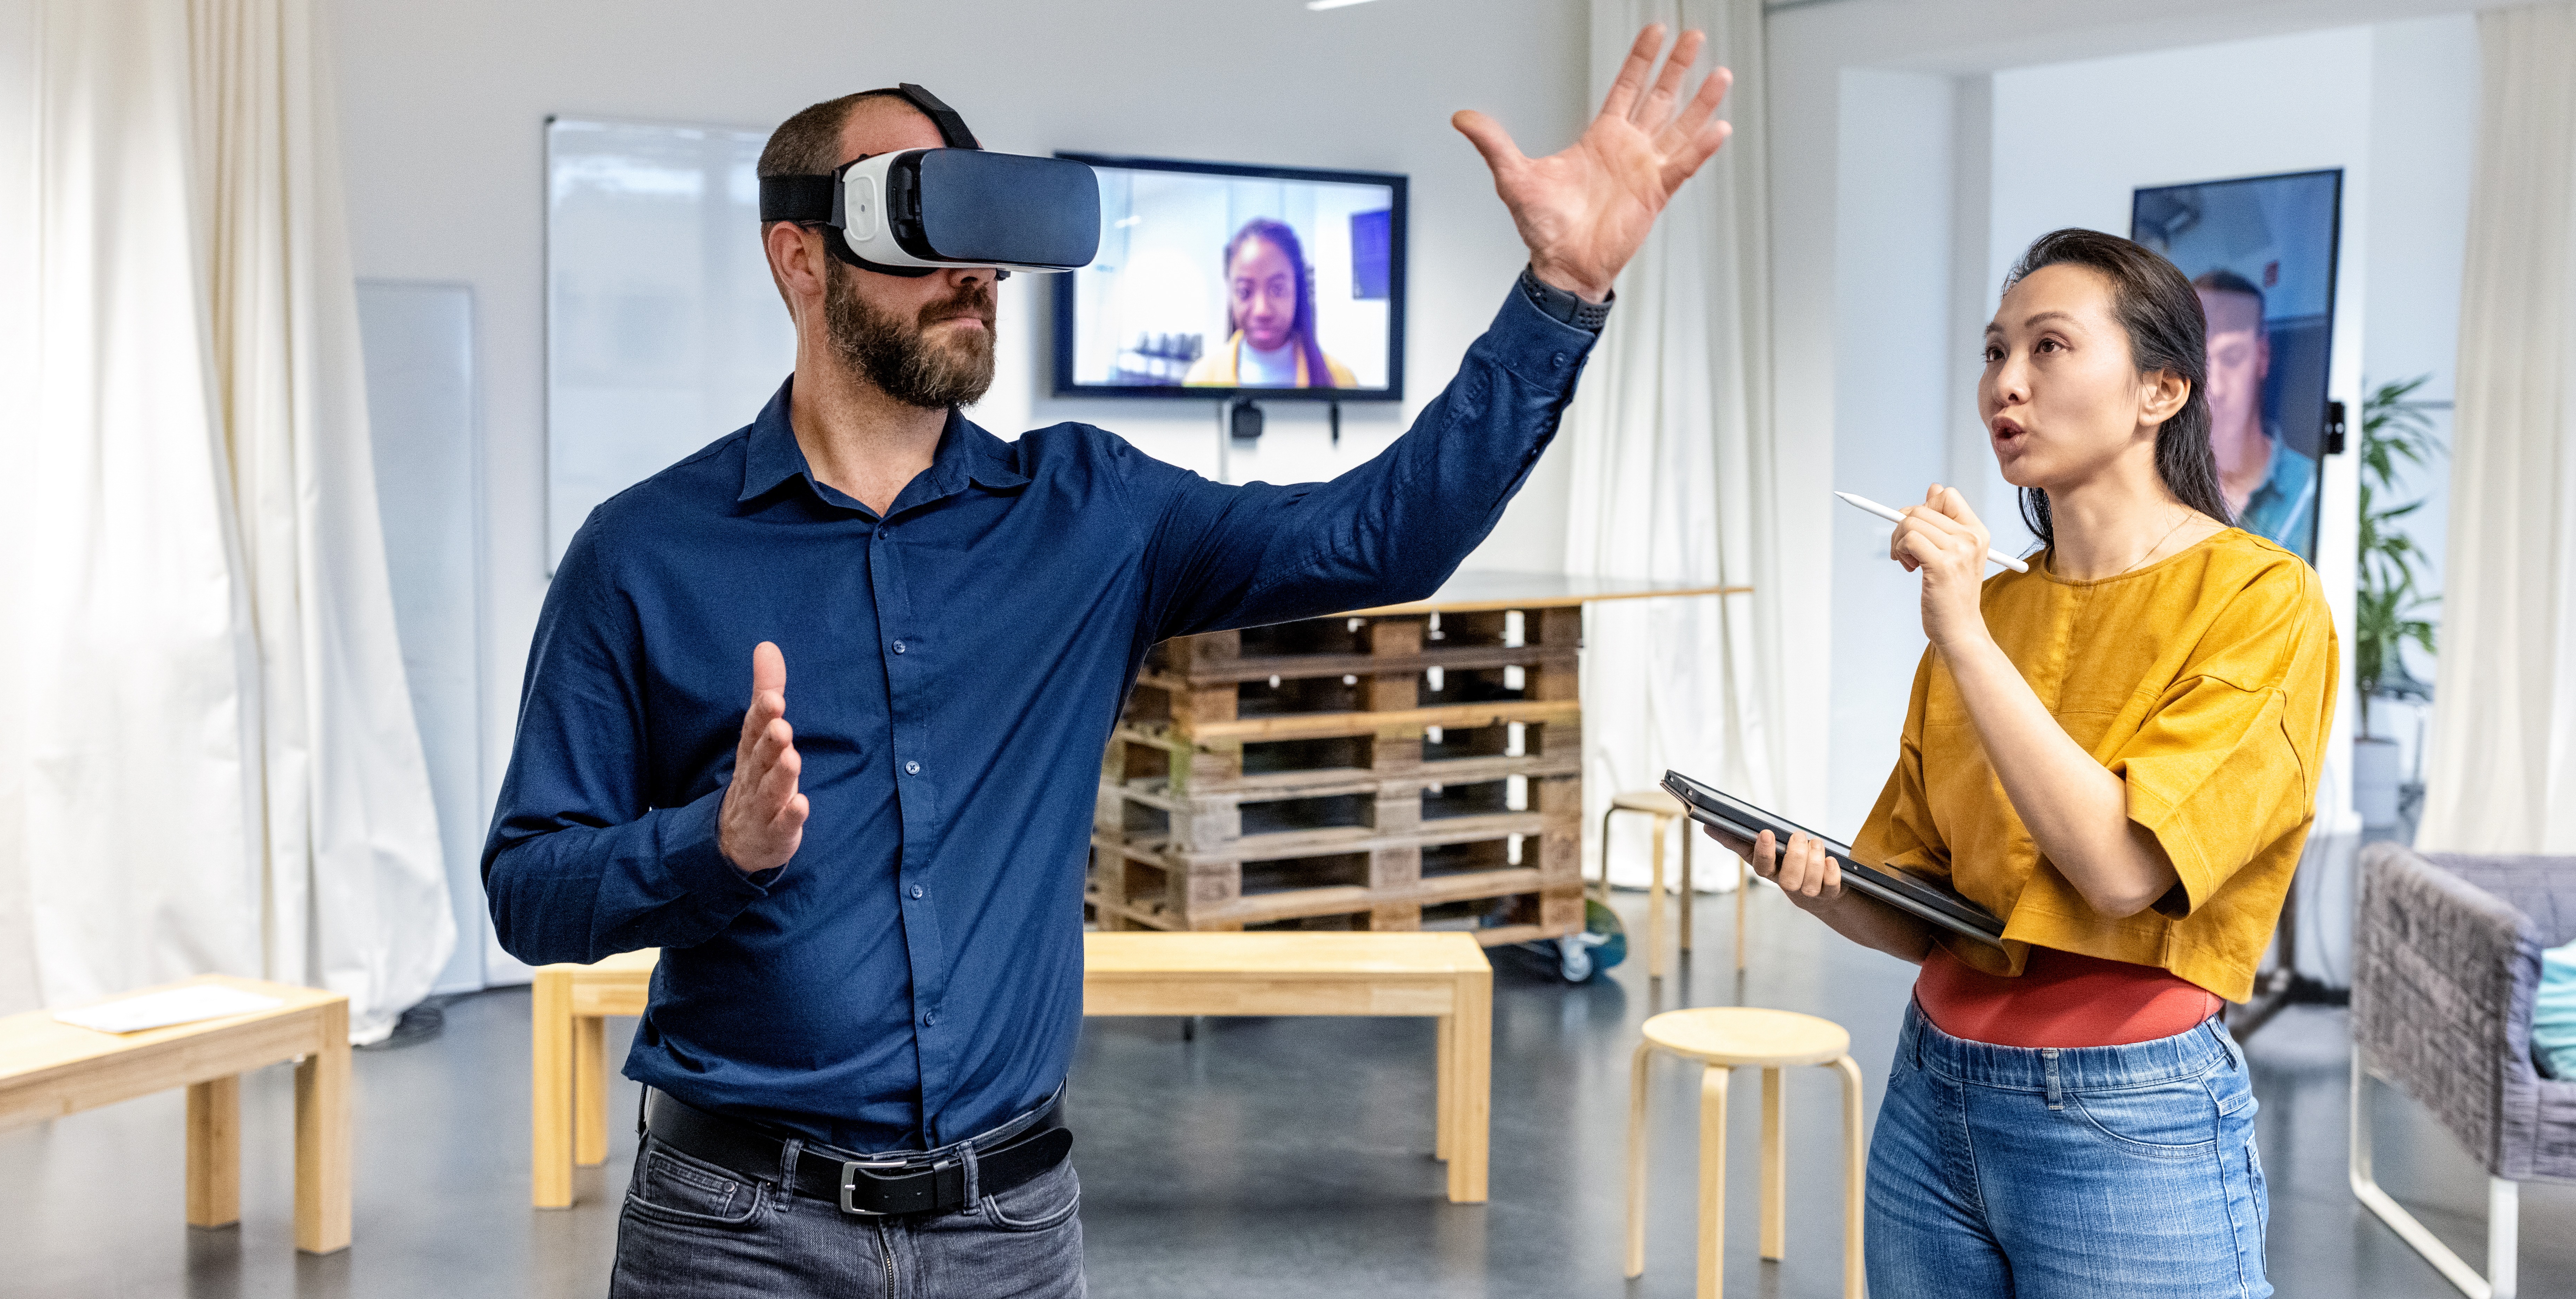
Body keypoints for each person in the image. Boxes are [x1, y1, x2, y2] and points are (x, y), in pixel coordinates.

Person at [483, 27, 1731, 1299]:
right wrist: (712, 846)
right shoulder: (644, 553)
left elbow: (1384, 535)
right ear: (799, 257)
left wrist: (1560, 291)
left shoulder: (1088, 513)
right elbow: (528, 890)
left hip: (1004, 1233)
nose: (973, 273)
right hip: (733, 1236)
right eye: (922, 223)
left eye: (986, 233)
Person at [1712, 229, 2337, 1298]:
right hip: (1930, 1094)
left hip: (2128, 1117)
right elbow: (1923, 906)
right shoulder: (1993, 608)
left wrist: (1962, 633)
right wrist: (1822, 886)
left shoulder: (2262, 601)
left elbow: (2120, 870)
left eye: (2050, 347)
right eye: (1996, 351)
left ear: (2161, 391)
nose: (2006, 382)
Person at [2193, 269, 2316, 550]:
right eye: (2200, 362)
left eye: (2232, 357)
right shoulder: (2157, 484)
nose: (2215, 387)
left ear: (2263, 356)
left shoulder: (2311, 490)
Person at [1180, 217, 1358, 388]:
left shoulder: (1339, 380)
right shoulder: (1201, 379)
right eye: (1245, 292)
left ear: (1297, 290)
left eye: (1278, 289)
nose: (1262, 311)